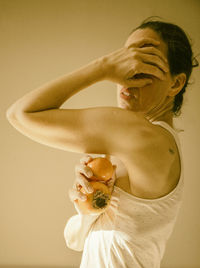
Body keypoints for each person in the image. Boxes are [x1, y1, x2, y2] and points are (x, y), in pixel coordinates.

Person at [6, 17, 198, 267]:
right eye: (125, 59)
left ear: (175, 83)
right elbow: (75, 241)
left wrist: (103, 66)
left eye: (145, 62)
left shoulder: (146, 137)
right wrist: (89, 208)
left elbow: (20, 114)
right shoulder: (136, 149)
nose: (128, 74)